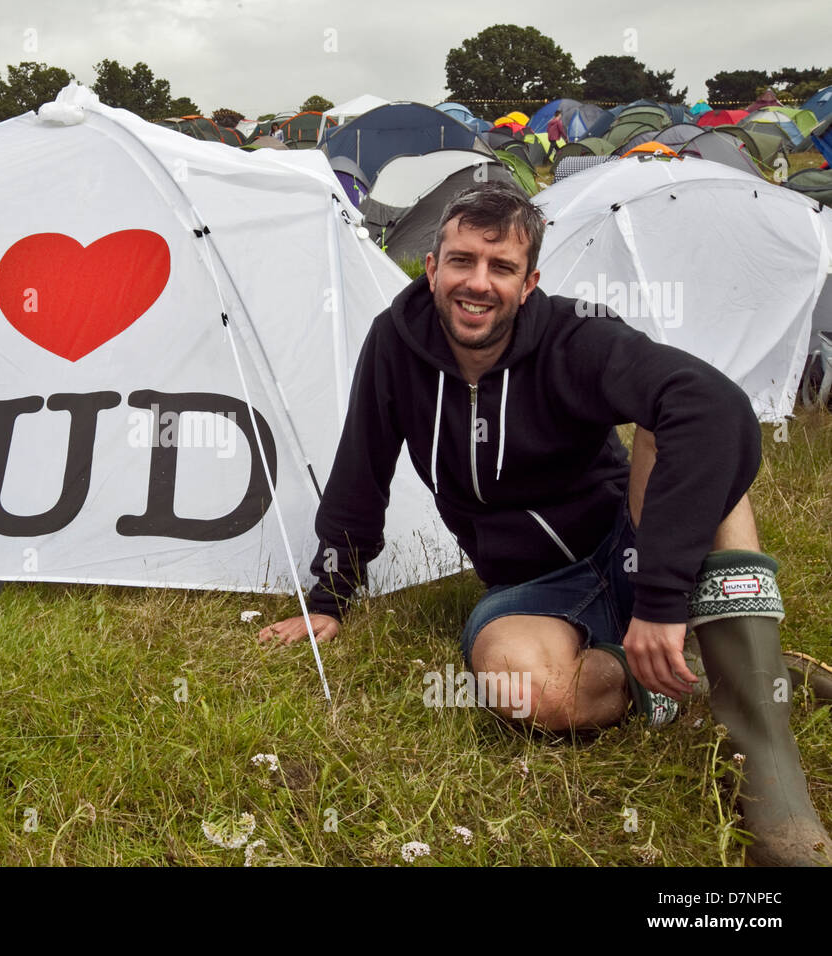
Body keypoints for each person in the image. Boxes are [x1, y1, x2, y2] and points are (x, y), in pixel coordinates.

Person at [257, 182, 831, 866]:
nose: (478, 283)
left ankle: (771, 776)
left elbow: (713, 406)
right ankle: (710, 675)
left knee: (680, 425)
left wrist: (662, 592)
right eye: (463, 260)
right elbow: (361, 469)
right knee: (518, 688)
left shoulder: (575, 335)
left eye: (501, 269)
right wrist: (330, 599)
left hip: (632, 540)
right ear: (431, 265)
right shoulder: (396, 345)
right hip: (535, 588)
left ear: (529, 284)